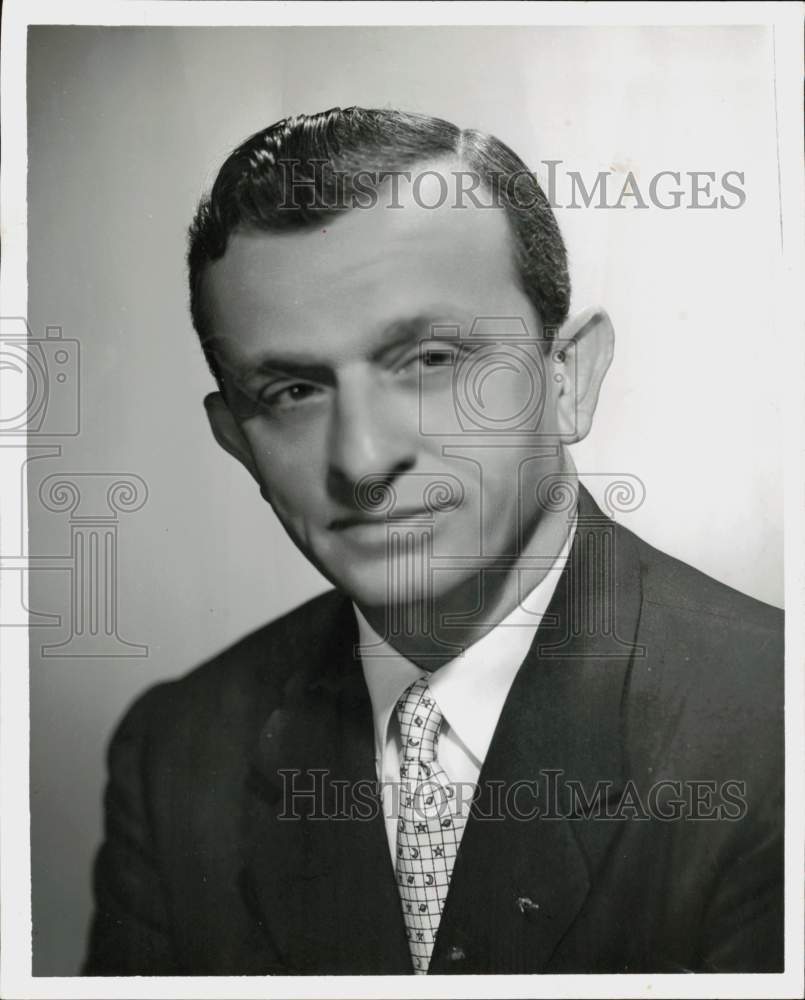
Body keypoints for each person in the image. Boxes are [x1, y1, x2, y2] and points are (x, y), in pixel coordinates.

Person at [83, 107, 783, 976]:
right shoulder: (176, 753)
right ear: (236, 442)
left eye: (431, 360)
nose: (361, 459)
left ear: (567, 378)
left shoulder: (772, 725)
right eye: (293, 391)